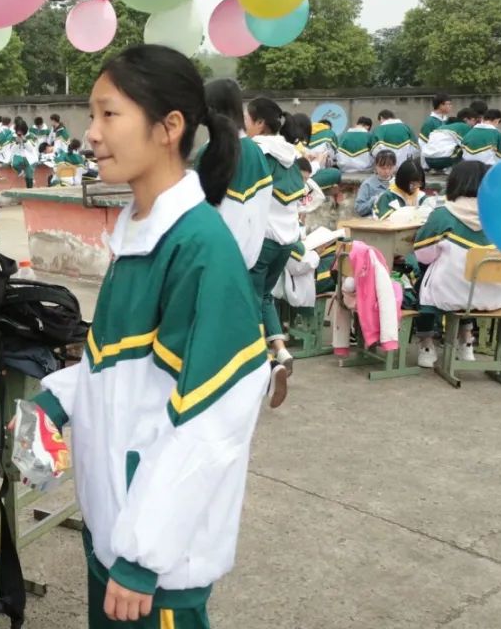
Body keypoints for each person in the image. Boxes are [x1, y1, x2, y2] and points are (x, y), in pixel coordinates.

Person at [29, 44, 270, 629]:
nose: (91, 134)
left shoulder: (198, 249)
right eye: (92, 115)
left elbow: (215, 420)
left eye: (109, 115)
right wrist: (55, 400)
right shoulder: (141, 234)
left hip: (153, 564)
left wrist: (142, 556)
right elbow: (120, 371)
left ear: (170, 127)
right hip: (116, 530)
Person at [414, 162, 501, 368]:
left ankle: (426, 345)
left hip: (452, 295)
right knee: (467, 280)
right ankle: (466, 341)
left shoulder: (444, 215)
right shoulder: (500, 215)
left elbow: (422, 255)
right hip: (496, 297)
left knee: (424, 279)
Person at [247, 97, 306, 374]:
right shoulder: (291, 155)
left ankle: (259, 361)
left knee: (248, 299)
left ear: (259, 123)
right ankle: (281, 352)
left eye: (247, 119)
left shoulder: (254, 152)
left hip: (262, 240)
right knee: (264, 296)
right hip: (287, 241)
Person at [201, 78, 272, 271]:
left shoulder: (213, 152)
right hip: (247, 260)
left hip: (216, 262)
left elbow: (207, 214)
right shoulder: (256, 151)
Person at [355, 150, 397, 218]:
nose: (386, 171)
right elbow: (359, 209)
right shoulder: (368, 185)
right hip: (373, 221)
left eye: (390, 168)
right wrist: (374, 200)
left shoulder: (397, 183)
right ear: (376, 166)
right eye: (383, 168)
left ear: (395, 167)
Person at [10, 118, 38, 188]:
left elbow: (31, 149)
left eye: (21, 131)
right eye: (18, 131)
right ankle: (21, 172)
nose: (20, 133)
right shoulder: (13, 136)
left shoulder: (32, 136)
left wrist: (25, 141)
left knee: (29, 175)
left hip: (30, 158)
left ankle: (30, 189)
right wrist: (16, 143)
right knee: (15, 164)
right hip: (18, 157)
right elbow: (12, 150)